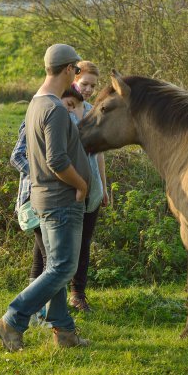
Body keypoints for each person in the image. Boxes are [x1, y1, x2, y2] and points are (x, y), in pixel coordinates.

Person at [0, 43, 92, 351]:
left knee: (54, 266)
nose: (76, 76)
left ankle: (63, 331)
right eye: (76, 70)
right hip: (61, 199)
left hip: (44, 199)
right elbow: (58, 161)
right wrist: (81, 185)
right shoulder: (56, 110)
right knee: (63, 268)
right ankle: (12, 319)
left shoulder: (37, 103)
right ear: (67, 70)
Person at [68, 60, 109, 312]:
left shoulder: (95, 113)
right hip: (68, 189)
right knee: (62, 244)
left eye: (93, 86)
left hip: (92, 190)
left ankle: (78, 294)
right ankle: (49, 295)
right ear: (74, 79)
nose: (88, 90)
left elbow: (100, 154)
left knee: (84, 243)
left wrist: (104, 187)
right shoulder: (63, 108)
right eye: (84, 84)